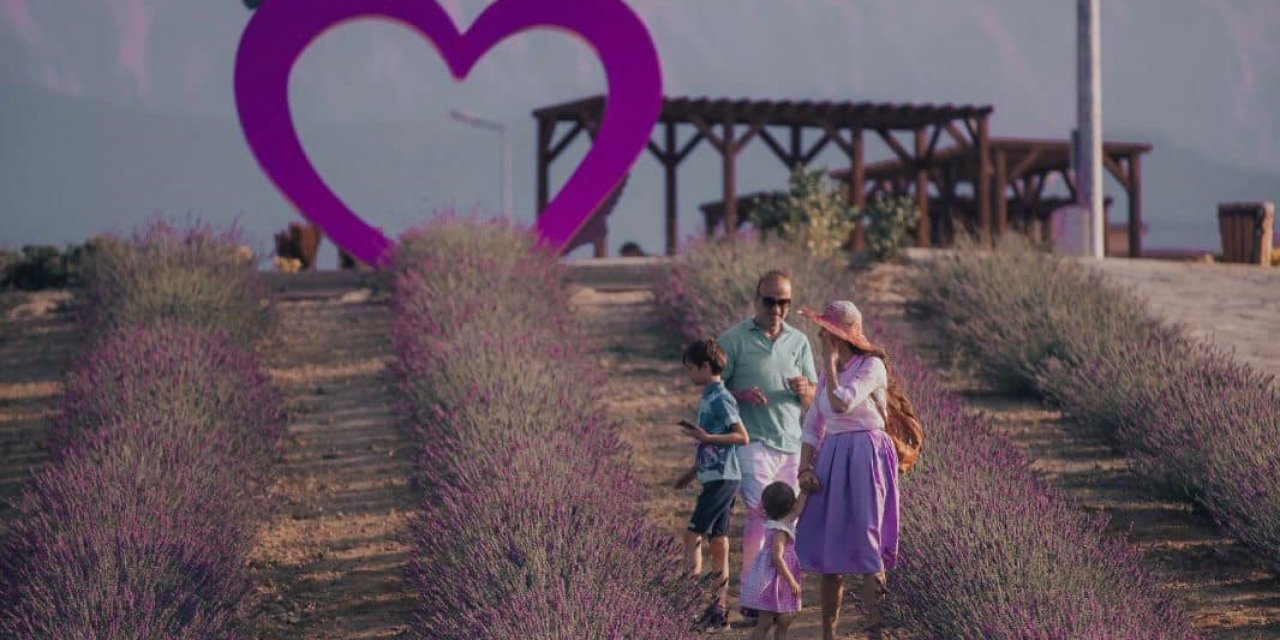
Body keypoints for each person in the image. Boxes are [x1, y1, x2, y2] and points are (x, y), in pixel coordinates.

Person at [793, 300, 921, 640]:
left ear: (838, 336)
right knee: (828, 548)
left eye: (825, 330)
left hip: (866, 454)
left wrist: (829, 365)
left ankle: (876, 631)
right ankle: (828, 635)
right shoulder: (827, 375)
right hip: (833, 455)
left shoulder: (870, 366)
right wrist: (804, 467)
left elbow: (842, 403)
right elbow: (812, 426)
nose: (819, 335)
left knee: (868, 544)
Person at [718, 270, 817, 624]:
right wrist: (739, 394)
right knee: (760, 517)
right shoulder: (733, 340)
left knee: (788, 521)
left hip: (790, 441)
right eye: (770, 301)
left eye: (784, 302)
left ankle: (776, 594)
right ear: (756, 299)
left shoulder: (799, 342)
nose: (777, 309)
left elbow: (814, 397)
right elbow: (712, 390)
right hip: (752, 440)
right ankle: (752, 595)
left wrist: (804, 389)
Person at [672, 338, 750, 631]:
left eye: (691, 369)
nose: (689, 374)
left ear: (706, 367)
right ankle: (719, 612)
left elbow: (741, 437)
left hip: (723, 479)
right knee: (719, 543)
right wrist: (691, 473)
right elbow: (711, 443)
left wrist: (705, 438)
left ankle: (686, 605)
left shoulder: (720, 398)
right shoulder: (708, 395)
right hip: (717, 476)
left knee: (692, 535)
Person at [740, 481, 807, 640]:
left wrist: (804, 491)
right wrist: (791, 581)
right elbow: (777, 558)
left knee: (777, 621)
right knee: (770, 622)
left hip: (775, 579)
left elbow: (797, 510)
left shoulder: (782, 521)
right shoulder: (780, 531)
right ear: (790, 504)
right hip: (775, 579)